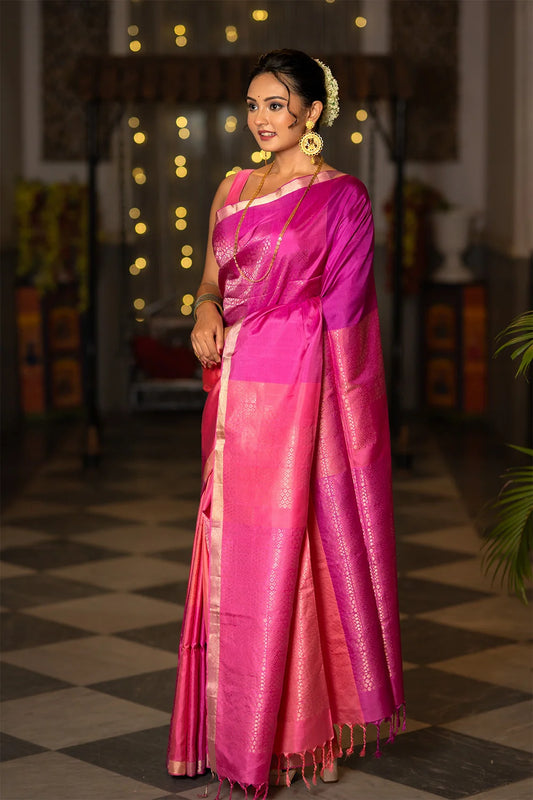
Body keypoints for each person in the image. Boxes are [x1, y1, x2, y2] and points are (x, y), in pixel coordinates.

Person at [167, 49, 405, 798]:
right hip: (235, 398)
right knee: (235, 552)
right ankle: (238, 728)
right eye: (253, 105)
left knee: (299, 555)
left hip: (300, 397)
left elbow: (342, 311)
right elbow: (212, 277)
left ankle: (304, 733)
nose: (260, 118)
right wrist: (205, 309)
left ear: (311, 111)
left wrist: (248, 334)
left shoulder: (342, 197)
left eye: (275, 104)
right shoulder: (232, 187)